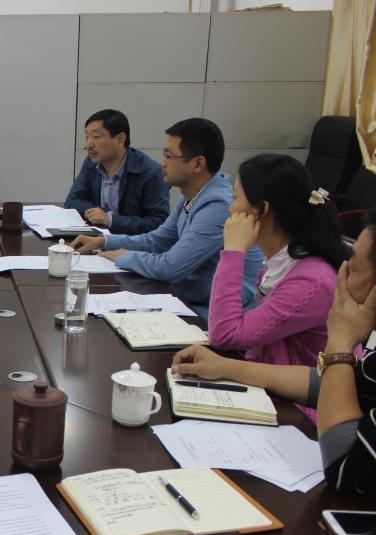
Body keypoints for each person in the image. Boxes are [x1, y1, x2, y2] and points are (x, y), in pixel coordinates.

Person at [172, 209, 376, 493]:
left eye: (352, 269)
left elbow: (342, 468)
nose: (231, 210)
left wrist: (340, 340)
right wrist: (226, 367)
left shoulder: (315, 278)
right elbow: (337, 383)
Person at [72, 118, 265, 319]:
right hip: (190, 301)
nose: (162, 163)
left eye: (168, 156)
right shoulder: (192, 195)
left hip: (214, 316)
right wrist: (105, 241)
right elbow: (157, 240)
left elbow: (171, 266)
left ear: (197, 164)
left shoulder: (218, 207)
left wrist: (123, 256)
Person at [208, 154, 345, 372]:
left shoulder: (312, 281)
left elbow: (224, 334)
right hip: (266, 379)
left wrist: (233, 252)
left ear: (260, 210)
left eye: (235, 198)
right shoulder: (285, 261)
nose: (230, 209)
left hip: (299, 394)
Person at [64, 109, 169, 235]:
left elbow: (159, 223)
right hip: (98, 238)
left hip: (133, 243)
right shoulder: (91, 163)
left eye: (96, 137)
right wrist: (96, 213)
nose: (88, 145)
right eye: (87, 137)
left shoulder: (150, 172)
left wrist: (110, 220)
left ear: (120, 139)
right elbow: (72, 200)